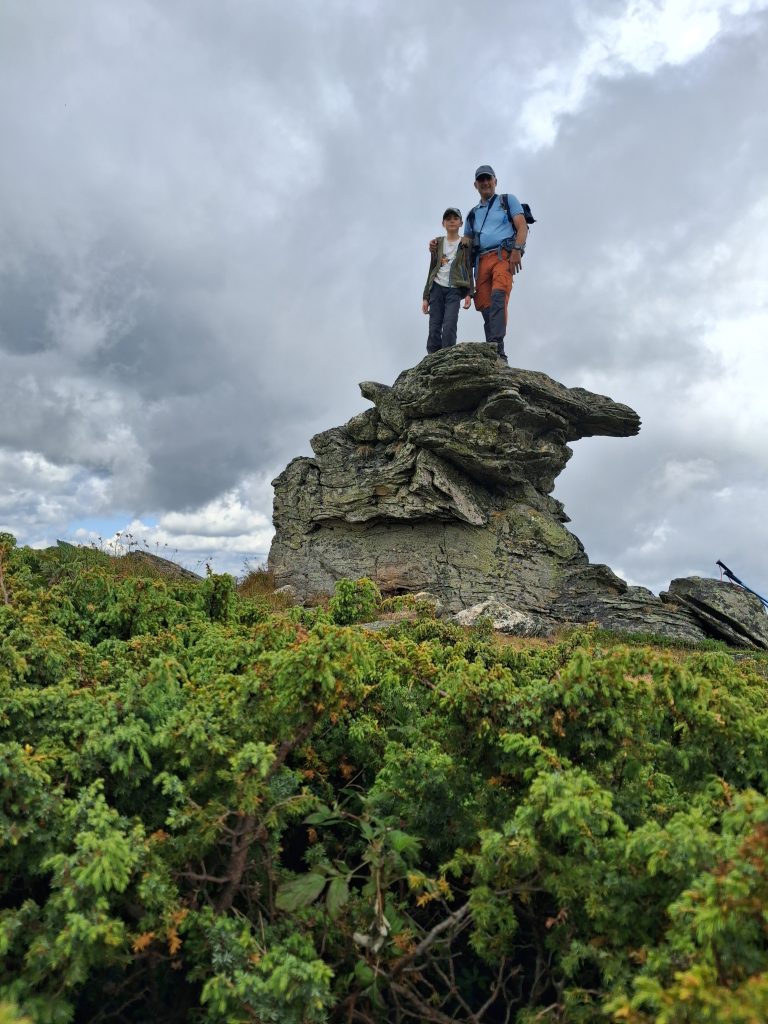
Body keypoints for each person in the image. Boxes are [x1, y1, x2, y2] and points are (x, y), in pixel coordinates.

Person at [431, 165, 528, 362]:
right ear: (475, 185)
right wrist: (438, 244)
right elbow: (464, 244)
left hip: (503, 255)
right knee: (484, 304)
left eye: (488, 179)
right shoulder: (472, 214)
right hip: (481, 260)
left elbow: (522, 226)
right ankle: (493, 349)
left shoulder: (507, 201)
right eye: (481, 180)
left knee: (499, 295)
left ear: (495, 181)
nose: (485, 183)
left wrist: (517, 250)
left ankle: (497, 349)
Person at [422, 207, 473, 354]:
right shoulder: (437, 243)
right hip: (436, 288)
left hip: (455, 289)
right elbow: (431, 269)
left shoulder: (465, 244)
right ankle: (432, 358)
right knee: (434, 326)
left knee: (450, 324)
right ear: (443, 223)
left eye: (455, 218)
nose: (452, 221)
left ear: (461, 223)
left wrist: (470, 293)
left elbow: (469, 268)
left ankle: (447, 356)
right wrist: (426, 297)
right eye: (448, 219)